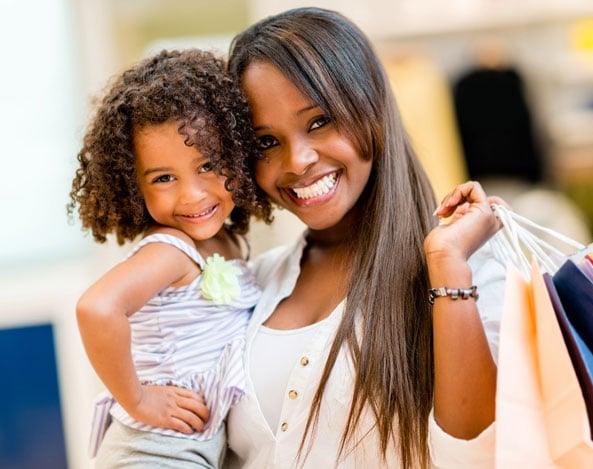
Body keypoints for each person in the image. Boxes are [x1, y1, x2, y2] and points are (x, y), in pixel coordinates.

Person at [224, 7, 506, 468]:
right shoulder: (253, 285)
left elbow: (476, 457)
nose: (296, 160)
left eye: (318, 122)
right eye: (266, 142)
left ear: (371, 106)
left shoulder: (474, 264)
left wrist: (448, 263)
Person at [68, 49, 271, 468]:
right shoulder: (170, 249)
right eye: (164, 178)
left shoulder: (228, 243)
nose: (192, 195)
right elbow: (96, 308)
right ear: (131, 186)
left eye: (209, 165)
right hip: (153, 450)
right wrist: (138, 400)